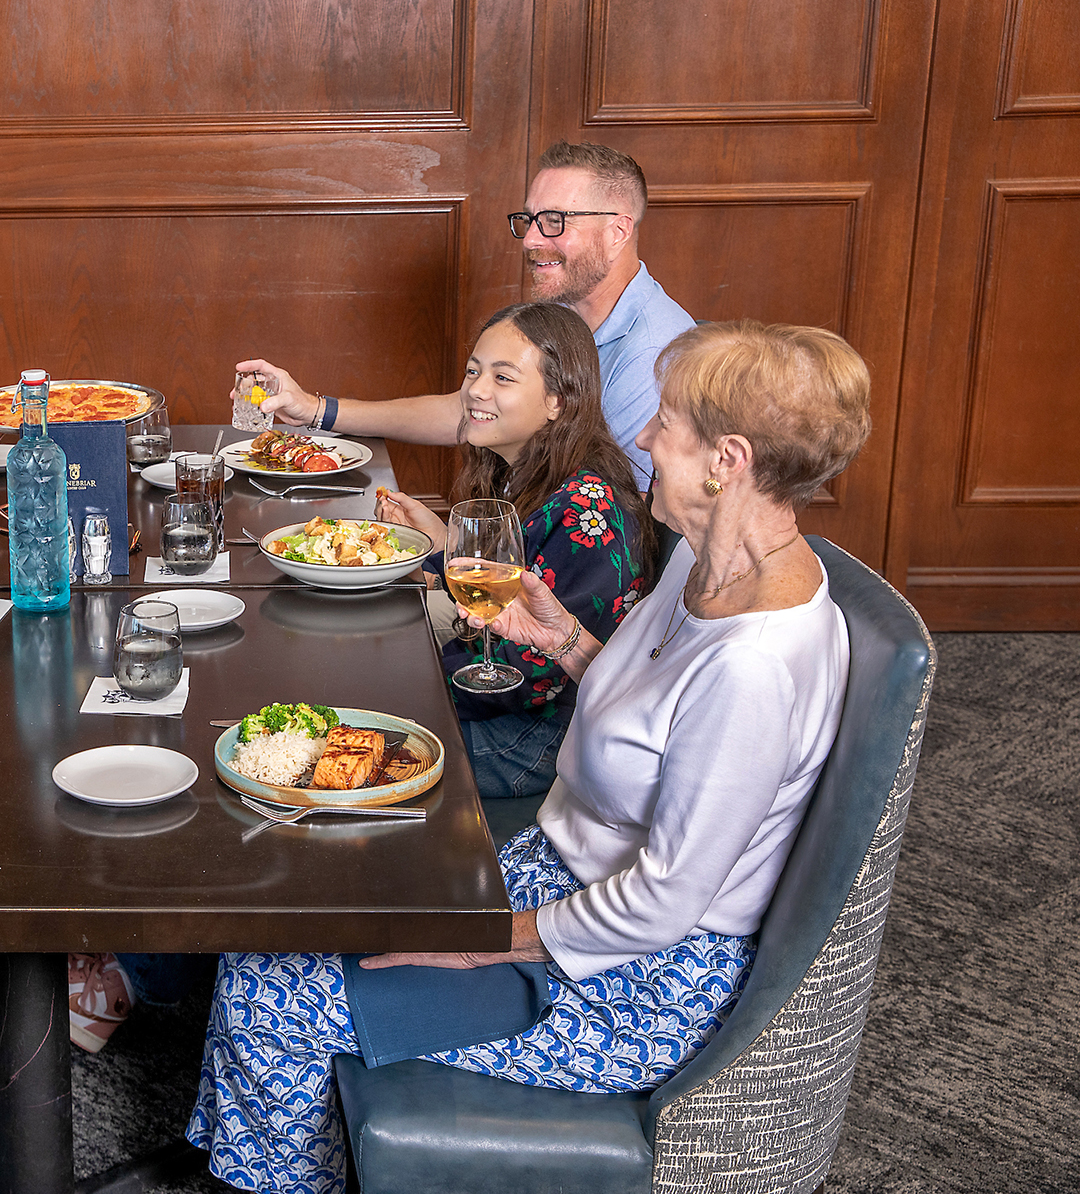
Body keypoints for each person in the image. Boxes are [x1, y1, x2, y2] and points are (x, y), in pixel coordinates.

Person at [187, 320, 873, 1192]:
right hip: (556, 880)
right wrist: (567, 642)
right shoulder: (708, 565)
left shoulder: (756, 666)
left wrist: (482, 944)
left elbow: (663, 904)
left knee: (267, 987)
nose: (643, 437)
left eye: (666, 423)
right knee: (282, 923)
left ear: (727, 460)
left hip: (624, 978)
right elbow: (655, 726)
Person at [240, 141, 695, 489]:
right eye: (530, 220)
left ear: (618, 230)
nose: (530, 240)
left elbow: (627, 518)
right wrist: (315, 410)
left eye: (555, 221)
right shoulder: (564, 307)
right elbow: (467, 411)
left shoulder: (656, 352)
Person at [374, 302, 652, 800]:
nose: (475, 390)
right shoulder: (521, 470)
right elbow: (503, 598)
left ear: (558, 401)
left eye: (503, 378)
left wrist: (402, 684)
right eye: (473, 372)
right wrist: (440, 548)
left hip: (536, 737)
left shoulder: (586, 512)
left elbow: (529, 677)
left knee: (359, 741)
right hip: (502, 698)